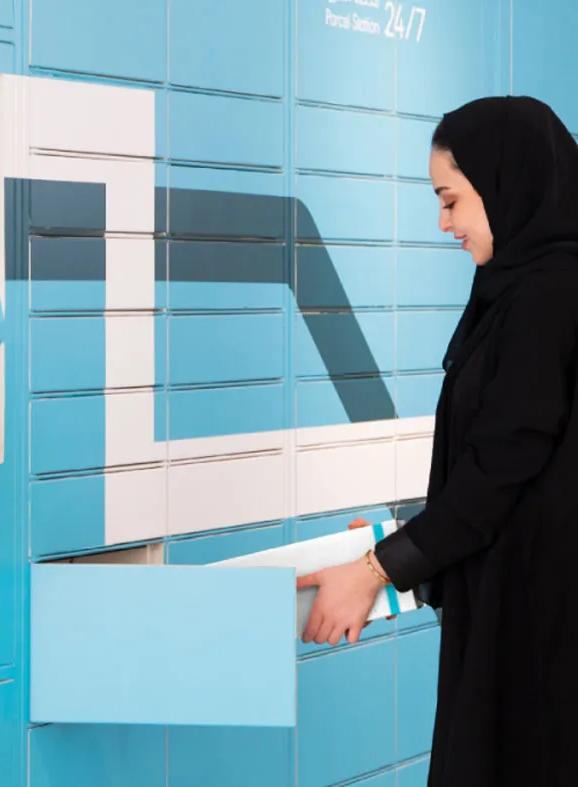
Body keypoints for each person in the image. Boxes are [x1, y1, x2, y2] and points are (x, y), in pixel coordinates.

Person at [296, 95, 578, 787]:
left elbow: (502, 467)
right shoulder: (519, 287)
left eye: (451, 199)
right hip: (524, 614)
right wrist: (403, 535)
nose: (443, 222)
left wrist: (377, 568)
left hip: (542, 638)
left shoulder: (551, 291)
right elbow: (506, 454)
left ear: (504, 184)